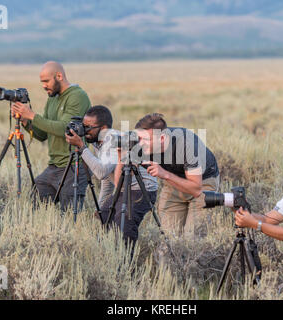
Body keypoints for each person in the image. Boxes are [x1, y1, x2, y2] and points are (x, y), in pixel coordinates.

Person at [65, 105, 158, 247]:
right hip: (122, 187)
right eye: (84, 126)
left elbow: (101, 172)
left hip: (142, 189)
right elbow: (108, 179)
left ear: (103, 128)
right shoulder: (98, 142)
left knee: (123, 220)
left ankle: (126, 261)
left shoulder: (114, 140)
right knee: (104, 216)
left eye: (88, 127)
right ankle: (110, 254)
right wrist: (102, 206)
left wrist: (82, 148)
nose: (84, 131)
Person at [11, 61, 91, 211]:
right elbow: (42, 135)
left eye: (46, 81)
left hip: (74, 166)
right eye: (42, 82)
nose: (43, 86)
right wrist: (25, 121)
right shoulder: (52, 99)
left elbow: (65, 129)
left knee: (69, 216)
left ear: (59, 76)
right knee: (34, 202)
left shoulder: (77, 96)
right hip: (54, 167)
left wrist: (32, 115)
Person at [135, 113, 220, 238]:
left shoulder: (188, 145)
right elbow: (120, 180)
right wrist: (123, 156)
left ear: (162, 139)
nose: (141, 143)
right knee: (169, 239)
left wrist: (164, 174)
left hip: (203, 183)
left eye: (146, 140)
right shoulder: (140, 143)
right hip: (173, 184)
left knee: (193, 238)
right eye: (139, 138)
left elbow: (196, 189)